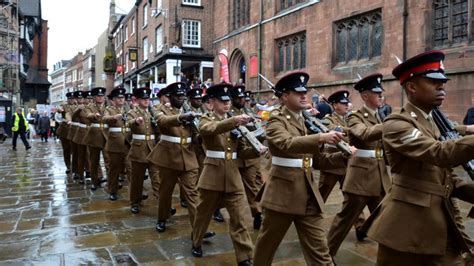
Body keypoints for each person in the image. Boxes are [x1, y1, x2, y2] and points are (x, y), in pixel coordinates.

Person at [364, 50, 474, 265]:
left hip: (439, 215)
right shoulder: (397, 123)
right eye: (433, 82)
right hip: (406, 224)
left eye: (442, 82)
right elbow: (439, 153)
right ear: (412, 87)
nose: (442, 86)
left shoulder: (433, 122)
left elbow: (445, 177)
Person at [252, 72, 352, 265]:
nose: (304, 95)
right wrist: (321, 138)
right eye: (298, 92)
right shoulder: (275, 120)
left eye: (305, 91)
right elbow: (286, 143)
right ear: (284, 96)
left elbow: (318, 161)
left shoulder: (304, 121)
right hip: (282, 195)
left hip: (308, 194)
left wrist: (343, 156)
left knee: (320, 252)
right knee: (267, 246)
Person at [191, 83, 267, 266]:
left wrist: (257, 150)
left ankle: (245, 257)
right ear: (211, 103)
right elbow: (208, 130)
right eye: (222, 101)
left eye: (228, 101)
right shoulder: (205, 118)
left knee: (239, 218)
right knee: (203, 214)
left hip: (233, 175)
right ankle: (196, 241)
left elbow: (241, 151)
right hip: (212, 175)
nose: (226, 104)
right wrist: (234, 122)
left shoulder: (234, 119)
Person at [326, 73, 391, 259]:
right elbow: (364, 134)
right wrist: (392, 124)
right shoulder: (355, 117)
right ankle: (325, 258)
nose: (381, 96)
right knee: (345, 220)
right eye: (376, 92)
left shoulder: (380, 117)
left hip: (379, 176)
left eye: (381, 93)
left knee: (386, 220)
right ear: (364, 96)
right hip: (360, 178)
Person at [148, 82, 212, 238]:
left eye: (183, 95)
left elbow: (195, 135)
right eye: (178, 96)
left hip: (188, 156)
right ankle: (162, 218)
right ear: (170, 97)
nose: (182, 98)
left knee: (192, 193)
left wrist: (200, 137)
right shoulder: (160, 110)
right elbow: (162, 122)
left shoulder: (189, 110)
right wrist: (181, 117)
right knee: (166, 191)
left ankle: (199, 229)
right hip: (169, 157)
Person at [229, 84, 265, 229]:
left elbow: (258, 129)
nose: (242, 100)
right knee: (229, 189)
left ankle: (258, 213)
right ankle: (216, 209)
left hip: (251, 156)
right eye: (238, 98)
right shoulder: (229, 113)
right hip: (236, 157)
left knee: (255, 186)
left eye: (243, 97)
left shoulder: (248, 111)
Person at [126, 87, 160, 214]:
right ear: (138, 100)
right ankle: (135, 202)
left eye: (148, 98)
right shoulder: (133, 112)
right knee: (137, 179)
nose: (146, 101)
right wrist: (136, 121)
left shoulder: (153, 111)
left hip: (152, 148)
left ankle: (163, 203)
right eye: (143, 99)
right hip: (139, 150)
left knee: (157, 179)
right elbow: (128, 123)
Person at [84, 87, 109, 191]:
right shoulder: (89, 107)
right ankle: (95, 181)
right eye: (98, 96)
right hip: (94, 137)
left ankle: (111, 181)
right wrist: (94, 115)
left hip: (106, 136)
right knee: (94, 161)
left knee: (108, 160)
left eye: (102, 96)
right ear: (94, 97)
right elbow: (88, 115)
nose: (100, 97)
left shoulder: (108, 107)